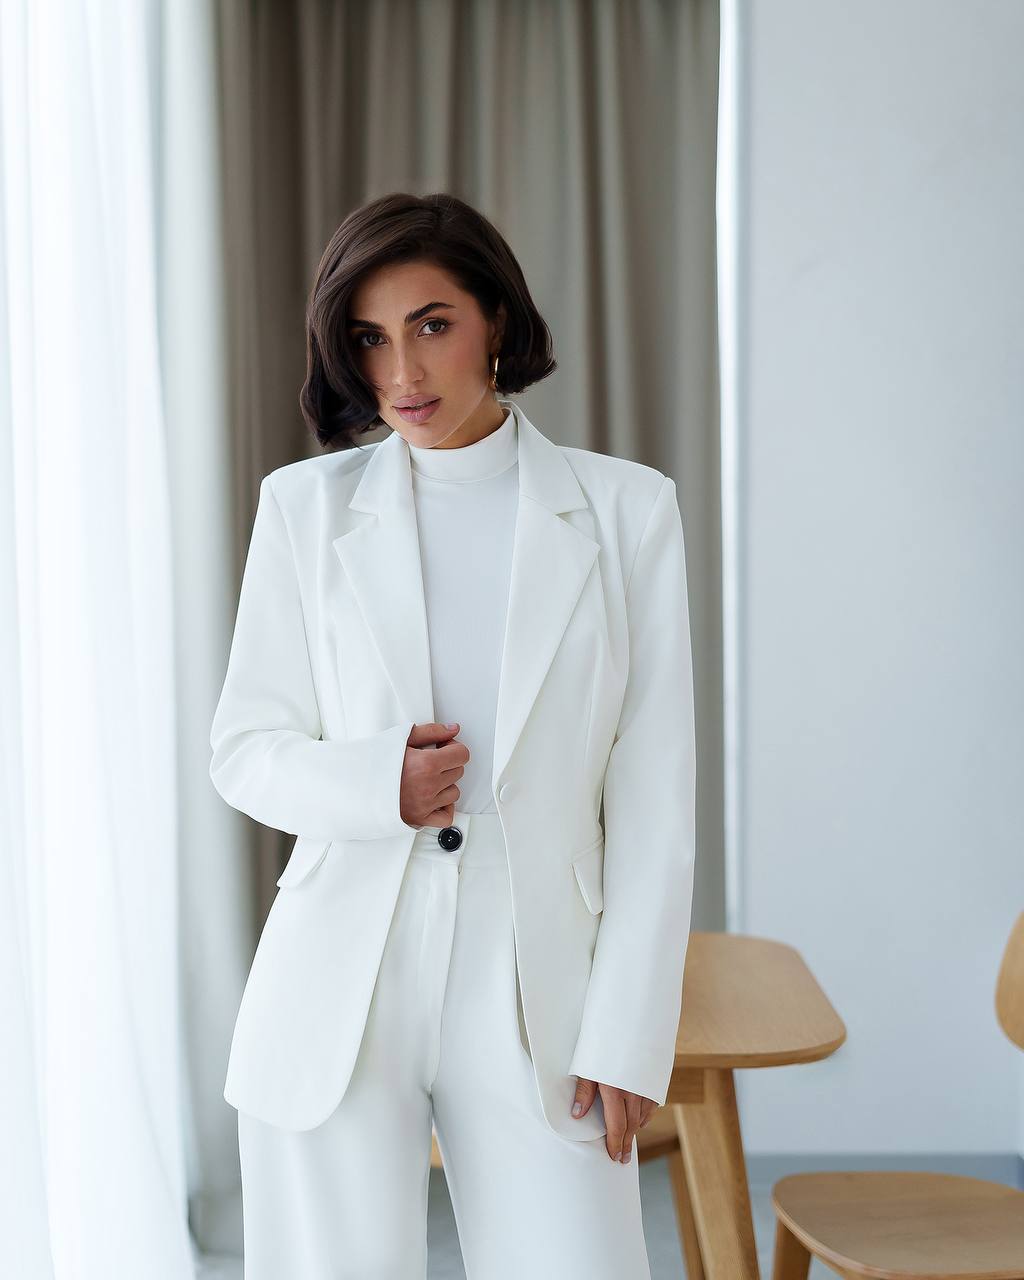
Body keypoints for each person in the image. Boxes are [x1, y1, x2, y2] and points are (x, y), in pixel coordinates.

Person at [209, 191, 696, 1279]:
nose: (401, 374)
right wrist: (380, 782)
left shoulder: (626, 512)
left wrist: (627, 1032)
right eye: (369, 339)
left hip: (542, 986)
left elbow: (656, 799)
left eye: (432, 324)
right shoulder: (305, 510)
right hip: (340, 968)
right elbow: (244, 746)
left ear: (495, 320)